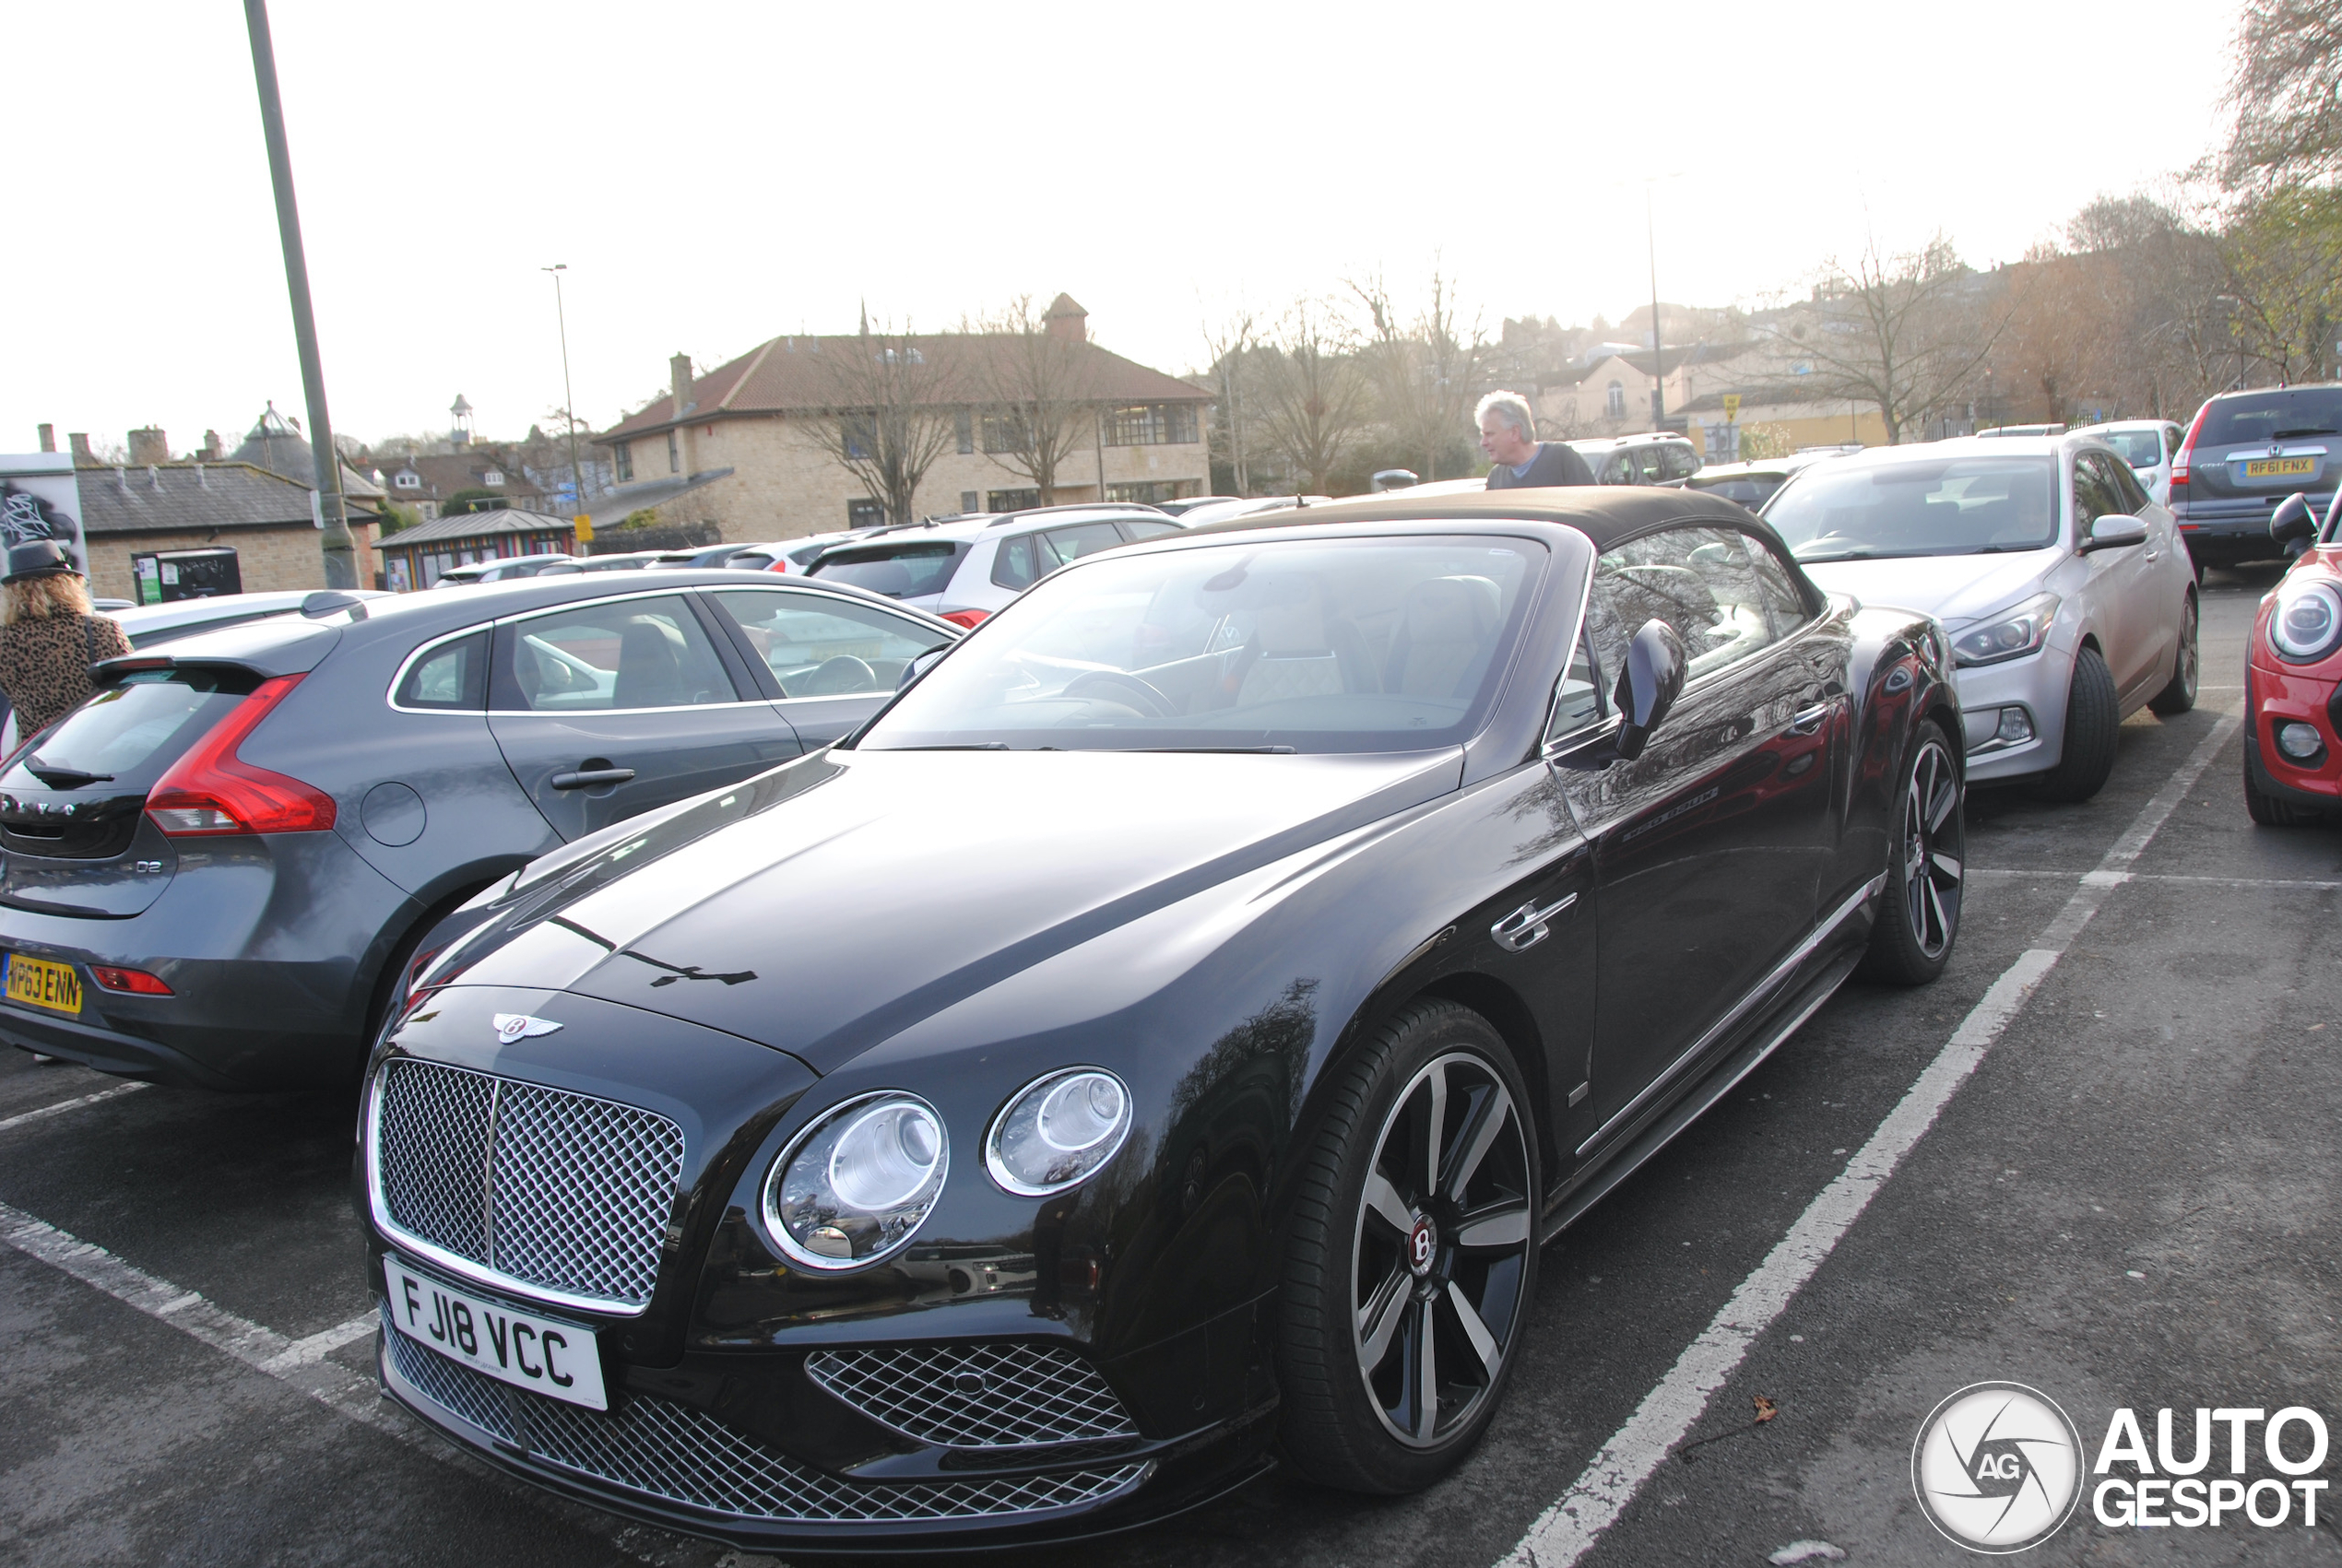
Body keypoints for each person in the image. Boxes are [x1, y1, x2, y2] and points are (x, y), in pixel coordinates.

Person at [0, 540, 133, 748]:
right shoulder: (101, 630)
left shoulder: (4, 641)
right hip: (96, 747)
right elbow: (133, 687)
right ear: (66, 585)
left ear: (12, 593)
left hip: (33, 754)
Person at [1478, 392, 1594, 489]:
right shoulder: (1496, 478)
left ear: (1514, 432)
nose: (1483, 443)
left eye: (1489, 434)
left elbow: (1594, 508)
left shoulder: (1562, 460)